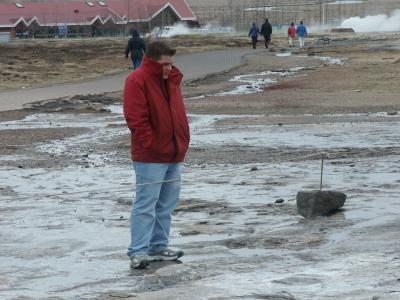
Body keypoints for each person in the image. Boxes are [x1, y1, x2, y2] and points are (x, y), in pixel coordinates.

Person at [123, 41, 190, 269]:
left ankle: (159, 246)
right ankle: (138, 252)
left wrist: (181, 142)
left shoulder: (171, 81)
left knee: (166, 205)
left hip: (173, 153)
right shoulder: (137, 79)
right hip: (150, 156)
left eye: (171, 63)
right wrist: (152, 145)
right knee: (146, 204)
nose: (169, 68)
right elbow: (136, 119)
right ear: (152, 61)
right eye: (165, 64)